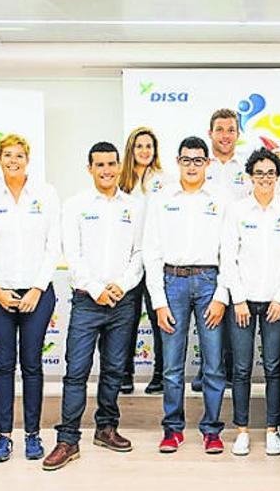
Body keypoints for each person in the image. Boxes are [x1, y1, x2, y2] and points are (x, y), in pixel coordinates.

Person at [42, 142, 144, 470]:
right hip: (87, 301)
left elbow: (139, 254)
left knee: (114, 370)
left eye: (111, 164)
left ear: (119, 166)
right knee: (76, 372)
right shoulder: (75, 205)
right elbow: (72, 254)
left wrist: (122, 285)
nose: (106, 170)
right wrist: (98, 289)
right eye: (99, 165)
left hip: (123, 301)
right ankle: (68, 439)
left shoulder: (134, 206)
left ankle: (106, 428)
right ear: (90, 169)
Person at [0, 134, 60, 462]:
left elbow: (54, 245)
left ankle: (33, 435)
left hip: (37, 294)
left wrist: (37, 288)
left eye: (19, 156)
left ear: (28, 160)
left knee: (32, 365)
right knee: (2, 365)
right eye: (7, 155)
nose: (13, 161)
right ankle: (3, 436)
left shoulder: (46, 194)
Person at [143, 136, 229, 454]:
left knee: (214, 363)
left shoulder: (221, 199)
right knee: (172, 365)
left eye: (198, 160)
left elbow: (230, 251)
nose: (192, 165)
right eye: (186, 159)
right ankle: (173, 429)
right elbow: (150, 251)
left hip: (209, 282)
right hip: (173, 283)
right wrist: (159, 301)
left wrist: (221, 295)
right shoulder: (162, 198)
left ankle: (211, 430)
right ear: (177, 162)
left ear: (207, 163)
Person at [220, 148, 280, 456]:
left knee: (272, 367)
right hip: (242, 302)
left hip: (275, 304)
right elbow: (228, 257)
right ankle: (241, 430)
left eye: (270, 173)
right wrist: (237, 299)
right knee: (241, 368)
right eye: (259, 173)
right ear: (250, 177)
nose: (265, 178)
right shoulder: (238, 211)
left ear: (278, 176)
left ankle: (271, 429)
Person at [191, 108, 249, 393]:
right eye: (220, 129)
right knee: (209, 317)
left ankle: (229, 373)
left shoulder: (246, 169)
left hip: (239, 255)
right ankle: (208, 370)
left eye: (230, 130)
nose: (225, 135)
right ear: (210, 132)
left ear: (238, 134)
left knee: (232, 315)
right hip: (205, 255)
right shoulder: (201, 167)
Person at [118, 126, 165, 395]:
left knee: (159, 317)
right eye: (139, 146)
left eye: (149, 146)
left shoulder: (164, 179)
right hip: (127, 259)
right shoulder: (120, 180)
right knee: (127, 318)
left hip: (156, 258)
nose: (144, 151)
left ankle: (159, 374)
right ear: (131, 150)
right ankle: (126, 372)